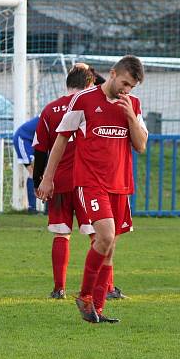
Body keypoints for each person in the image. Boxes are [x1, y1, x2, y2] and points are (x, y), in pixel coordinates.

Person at [38, 55, 148, 323]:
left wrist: (131, 118)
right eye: (124, 83)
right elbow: (61, 140)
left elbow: (141, 145)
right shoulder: (84, 100)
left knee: (108, 248)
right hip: (90, 183)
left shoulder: (132, 105)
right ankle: (85, 296)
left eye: (132, 87)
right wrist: (47, 178)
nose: (127, 90)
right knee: (106, 236)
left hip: (120, 184)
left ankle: (97, 308)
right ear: (112, 74)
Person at [33, 63, 97, 299]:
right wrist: (88, 69)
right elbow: (107, 85)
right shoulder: (91, 105)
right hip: (85, 180)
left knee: (61, 234)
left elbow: (39, 150)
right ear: (90, 84)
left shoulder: (50, 109)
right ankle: (106, 287)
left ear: (66, 84)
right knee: (97, 235)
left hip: (57, 180)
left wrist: (38, 182)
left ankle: (59, 288)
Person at [13, 116, 40, 212]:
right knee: (34, 173)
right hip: (23, 139)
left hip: (34, 142)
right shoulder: (50, 115)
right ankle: (32, 208)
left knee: (44, 173)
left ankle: (47, 209)